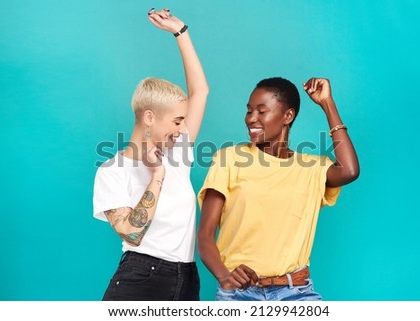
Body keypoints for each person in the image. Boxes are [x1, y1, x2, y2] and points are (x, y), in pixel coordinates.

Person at [197, 77, 359, 301]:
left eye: (261, 112)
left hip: (296, 292)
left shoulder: (312, 168)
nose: (251, 119)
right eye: (249, 111)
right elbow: (205, 235)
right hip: (240, 295)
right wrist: (225, 277)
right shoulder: (229, 159)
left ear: (288, 116)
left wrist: (327, 104)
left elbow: (350, 170)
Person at [93, 7, 208, 301]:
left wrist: (181, 32)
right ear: (149, 117)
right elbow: (132, 234)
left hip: (187, 278)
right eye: (177, 121)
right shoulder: (112, 170)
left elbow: (200, 92)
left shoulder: (177, 153)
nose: (183, 130)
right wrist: (157, 175)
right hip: (142, 279)